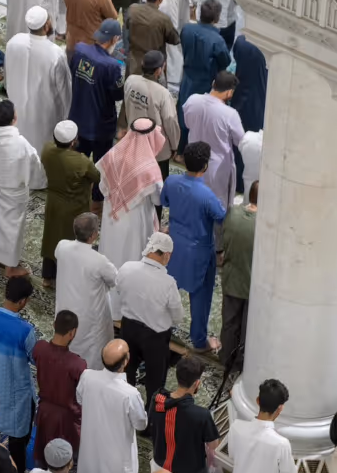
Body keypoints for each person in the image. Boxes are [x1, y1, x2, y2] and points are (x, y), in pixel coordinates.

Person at [162, 141, 226, 352]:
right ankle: (199, 340)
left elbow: (166, 202)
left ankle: (162, 327)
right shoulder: (207, 195)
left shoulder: (171, 181)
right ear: (205, 166)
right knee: (200, 299)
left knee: (168, 289)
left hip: (173, 247)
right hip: (199, 252)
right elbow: (222, 217)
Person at [6, 6, 71, 192]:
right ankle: (38, 180)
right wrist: (65, 116)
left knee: (21, 139)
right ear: (47, 25)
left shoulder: (14, 42)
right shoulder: (55, 53)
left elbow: (8, 71)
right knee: (40, 145)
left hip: (17, 104)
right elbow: (64, 90)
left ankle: (20, 175)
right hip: (45, 110)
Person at [75, 339, 147, 473]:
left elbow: (79, 399)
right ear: (126, 362)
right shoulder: (130, 394)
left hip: (91, 448)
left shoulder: (87, 376)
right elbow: (141, 424)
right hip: (118, 457)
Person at [0, 276, 37, 473]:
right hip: (16, 393)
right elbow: (35, 358)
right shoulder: (25, 331)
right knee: (18, 440)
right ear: (23, 301)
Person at [115, 233, 183, 405]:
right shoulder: (168, 283)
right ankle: (151, 421)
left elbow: (118, 290)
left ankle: (125, 405)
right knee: (155, 381)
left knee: (126, 371)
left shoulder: (127, 268)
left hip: (128, 328)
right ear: (167, 255)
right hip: (155, 337)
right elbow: (177, 317)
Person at [98, 118, 166, 281]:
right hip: (136, 218)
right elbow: (157, 201)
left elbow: (102, 185)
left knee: (111, 249)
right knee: (131, 253)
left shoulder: (114, 153)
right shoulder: (150, 170)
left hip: (112, 214)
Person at [149, 356, 220, 473]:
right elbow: (213, 445)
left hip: (160, 465)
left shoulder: (158, 401)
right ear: (196, 383)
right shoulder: (201, 415)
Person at [68, 19, 124, 207]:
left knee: (76, 162)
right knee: (101, 167)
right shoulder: (111, 65)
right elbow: (117, 94)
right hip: (101, 126)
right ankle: (96, 203)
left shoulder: (80, 50)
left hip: (78, 118)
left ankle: (74, 194)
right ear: (115, 39)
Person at [0, 100, 42, 276]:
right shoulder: (21, 143)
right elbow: (34, 167)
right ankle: (10, 267)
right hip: (13, 192)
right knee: (11, 228)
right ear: (14, 119)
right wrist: (37, 181)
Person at [39, 119, 100, 285]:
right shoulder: (81, 161)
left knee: (51, 237)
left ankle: (47, 276)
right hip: (75, 206)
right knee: (71, 242)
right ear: (74, 141)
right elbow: (97, 177)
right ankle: (66, 277)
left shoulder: (47, 150)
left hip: (53, 202)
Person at [54, 213, 116, 369]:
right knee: (92, 354)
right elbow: (114, 279)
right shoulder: (99, 260)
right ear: (94, 235)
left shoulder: (62, 245)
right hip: (90, 315)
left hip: (66, 306)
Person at [31, 311, 87, 468]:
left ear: (54, 325)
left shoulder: (39, 348)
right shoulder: (77, 364)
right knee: (67, 461)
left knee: (43, 455)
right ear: (72, 332)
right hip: (67, 419)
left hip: (45, 412)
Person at [227, 378, 295, 473]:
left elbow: (232, 455)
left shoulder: (236, 427)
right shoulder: (281, 444)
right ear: (280, 408)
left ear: (257, 401)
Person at [182, 71, 245, 205]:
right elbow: (241, 141)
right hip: (217, 168)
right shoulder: (230, 114)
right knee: (216, 205)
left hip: (193, 160)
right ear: (230, 93)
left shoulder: (192, 100)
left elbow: (187, 123)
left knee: (194, 198)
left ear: (213, 84)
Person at [177, 0, 231, 152]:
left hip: (187, 77)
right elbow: (225, 61)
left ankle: (180, 150)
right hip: (205, 83)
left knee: (184, 111)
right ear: (217, 18)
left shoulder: (187, 29)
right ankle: (192, 153)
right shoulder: (217, 40)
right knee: (200, 119)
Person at [121, 52, 179, 182]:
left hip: (135, 141)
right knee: (157, 187)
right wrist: (175, 146)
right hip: (157, 150)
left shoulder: (131, 81)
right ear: (159, 70)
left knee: (137, 181)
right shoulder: (163, 94)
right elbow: (171, 123)